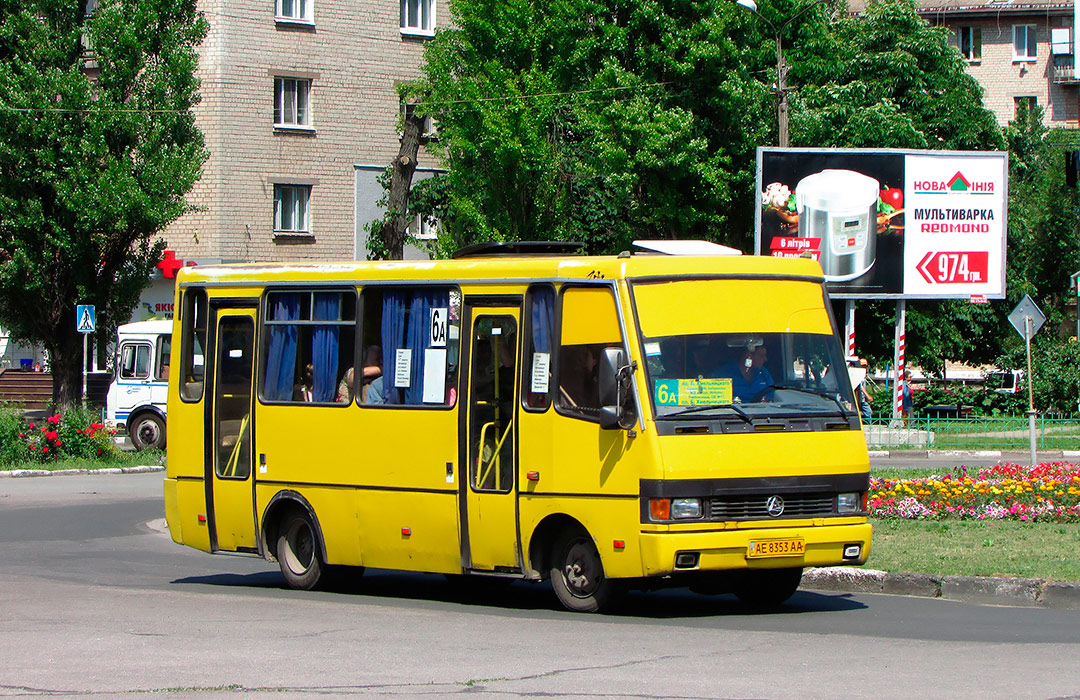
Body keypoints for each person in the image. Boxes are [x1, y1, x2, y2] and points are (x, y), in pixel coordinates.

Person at [721, 338, 774, 402]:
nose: (765, 359)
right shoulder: (724, 373)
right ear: (748, 356)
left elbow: (772, 395)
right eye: (761, 356)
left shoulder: (764, 373)